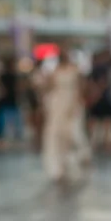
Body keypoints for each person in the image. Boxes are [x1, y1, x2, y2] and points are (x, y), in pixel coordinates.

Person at [43, 48, 90, 183]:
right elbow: (50, 87)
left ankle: (79, 154)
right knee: (57, 133)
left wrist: (77, 102)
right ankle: (59, 161)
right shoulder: (55, 71)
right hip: (57, 102)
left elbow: (80, 87)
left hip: (71, 101)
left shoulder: (74, 70)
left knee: (73, 131)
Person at [0, 56, 23, 149]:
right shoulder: (11, 76)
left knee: (6, 119)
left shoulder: (5, 75)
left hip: (8, 99)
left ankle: (4, 136)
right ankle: (11, 135)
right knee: (8, 119)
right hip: (9, 99)